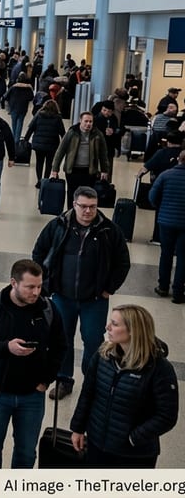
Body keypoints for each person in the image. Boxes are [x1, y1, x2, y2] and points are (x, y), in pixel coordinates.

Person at [0, 259, 66, 486]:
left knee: (27, 451)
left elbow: (61, 347)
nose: (36, 292)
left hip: (32, 395)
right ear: (13, 283)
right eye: (30, 287)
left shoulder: (48, 309)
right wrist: (5, 347)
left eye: (39, 286)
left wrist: (46, 380)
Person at [32, 186, 130, 400]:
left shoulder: (109, 230)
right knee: (62, 339)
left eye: (92, 207)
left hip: (94, 300)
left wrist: (108, 289)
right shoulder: (58, 226)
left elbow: (123, 262)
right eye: (83, 206)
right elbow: (39, 251)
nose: (88, 211)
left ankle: (92, 381)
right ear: (74, 204)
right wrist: (44, 284)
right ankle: (64, 379)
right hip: (62, 297)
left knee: (94, 340)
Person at [69, 304, 179, 468]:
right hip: (97, 445)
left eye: (114, 324)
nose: (107, 327)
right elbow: (88, 393)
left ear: (133, 330)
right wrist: (77, 428)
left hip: (134, 455)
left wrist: (133, 438)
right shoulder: (103, 355)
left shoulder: (160, 369)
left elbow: (166, 416)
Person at [49, 111, 111, 211]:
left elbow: (103, 154)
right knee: (72, 194)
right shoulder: (72, 132)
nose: (88, 124)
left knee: (87, 196)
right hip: (73, 170)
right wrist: (54, 169)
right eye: (86, 121)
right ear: (80, 121)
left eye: (90, 121)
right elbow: (60, 151)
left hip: (89, 171)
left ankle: (83, 215)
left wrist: (104, 170)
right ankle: (71, 213)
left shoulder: (98, 134)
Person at [150, 149, 185, 302]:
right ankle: (178, 292)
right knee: (183, 257)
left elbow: (152, 197)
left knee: (166, 254)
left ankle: (163, 287)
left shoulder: (165, 175)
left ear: (179, 159)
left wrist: (162, 208)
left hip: (166, 221)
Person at [24, 100, 66, 185]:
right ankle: (45, 180)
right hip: (52, 144)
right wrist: (64, 144)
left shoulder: (39, 115)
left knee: (39, 162)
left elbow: (31, 127)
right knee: (49, 163)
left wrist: (26, 139)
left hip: (39, 144)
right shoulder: (57, 117)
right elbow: (62, 132)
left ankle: (39, 180)